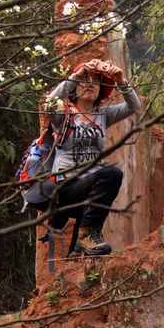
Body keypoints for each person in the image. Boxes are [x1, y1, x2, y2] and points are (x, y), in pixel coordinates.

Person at [43, 58, 141, 255]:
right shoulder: (64, 114)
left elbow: (133, 106)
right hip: (65, 187)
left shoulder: (103, 115)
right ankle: (87, 235)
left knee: (107, 179)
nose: (89, 84)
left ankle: (80, 247)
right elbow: (49, 104)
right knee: (111, 174)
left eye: (95, 81)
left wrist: (120, 80)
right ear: (74, 87)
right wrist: (77, 75)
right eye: (84, 80)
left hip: (90, 188)